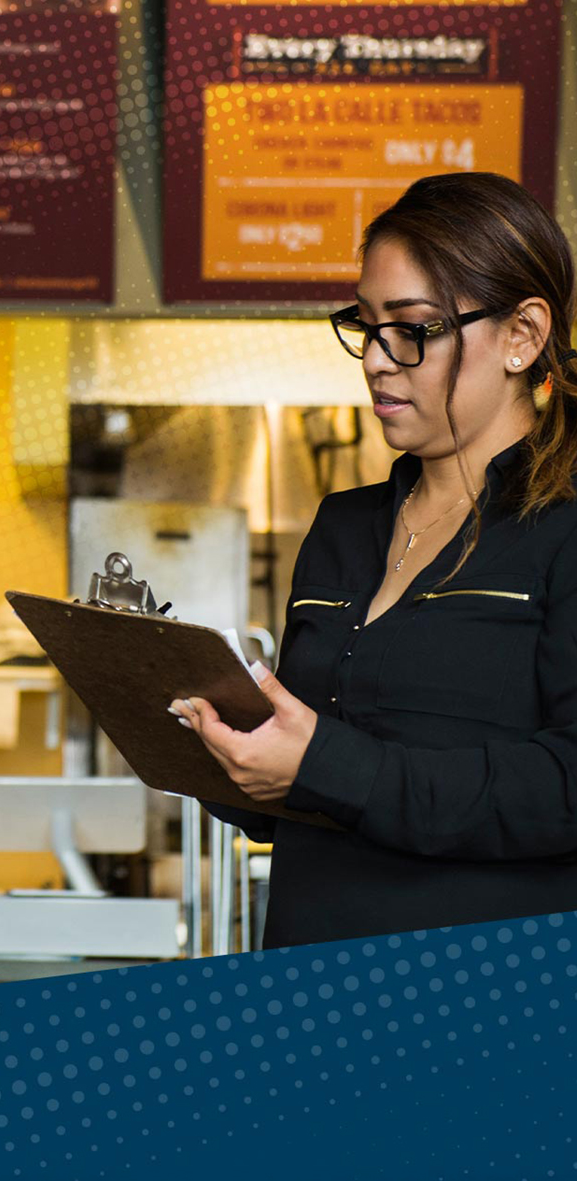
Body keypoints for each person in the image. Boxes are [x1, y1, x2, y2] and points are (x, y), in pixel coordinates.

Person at [175, 171, 577, 947]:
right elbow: (294, 790)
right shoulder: (344, 526)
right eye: (365, 326)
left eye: (413, 330)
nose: (376, 360)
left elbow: (564, 787)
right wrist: (214, 741)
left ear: (523, 336)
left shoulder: (562, 526)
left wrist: (328, 764)